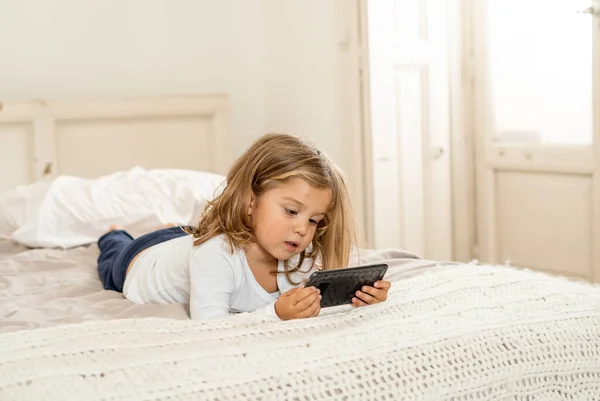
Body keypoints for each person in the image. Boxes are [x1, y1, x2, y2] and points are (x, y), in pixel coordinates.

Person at [97, 133, 391, 321]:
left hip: (187, 242)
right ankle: (114, 231)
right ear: (251, 202)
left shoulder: (301, 252)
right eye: (291, 211)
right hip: (140, 261)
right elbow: (210, 326)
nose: (303, 229)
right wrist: (274, 315)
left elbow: (311, 303)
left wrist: (357, 299)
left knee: (188, 235)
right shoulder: (216, 254)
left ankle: (174, 227)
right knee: (114, 251)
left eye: (314, 220)